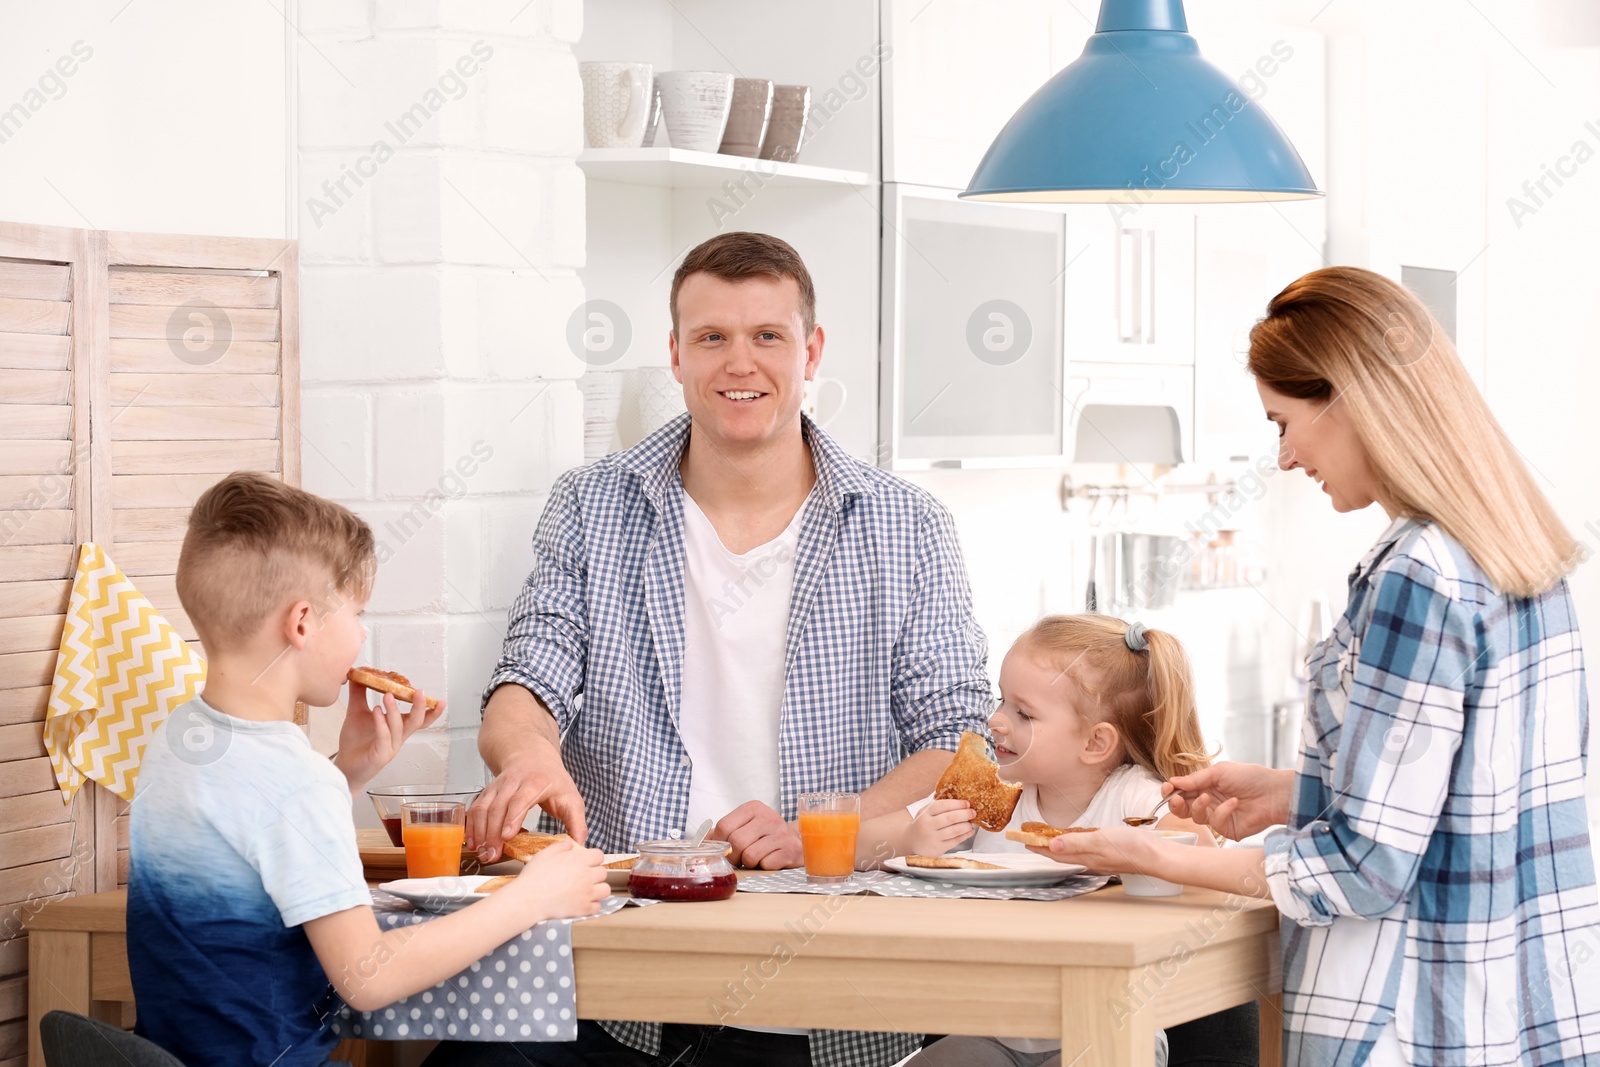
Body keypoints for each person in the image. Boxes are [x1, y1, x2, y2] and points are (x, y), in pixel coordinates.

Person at [432, 232, 992, 1067]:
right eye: (712, 337)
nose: (741, 362)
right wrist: (528, 756)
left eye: (768, 335)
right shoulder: (594, 505)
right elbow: (528, 674)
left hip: (824, 992)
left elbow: (961, 745)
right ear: (675, 353)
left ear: (812, 349)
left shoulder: (906, 524)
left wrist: (825, 832)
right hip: (622, 977)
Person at [1039, 267, 1600, 1067]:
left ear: (1348, 397)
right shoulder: (1520, 555)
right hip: (1523, 1017)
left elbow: (1366, 869)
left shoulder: (1416, 576)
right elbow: (1468, 808)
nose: (1287, 456)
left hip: (1407, 1022)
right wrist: (1293, 794)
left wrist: (1161, 855)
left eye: (1284, 421)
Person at [128, 472, 610, 1067]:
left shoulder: (180, 738)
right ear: (302, 623)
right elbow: (368, 978)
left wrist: (347, 772)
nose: (361, 635)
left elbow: (253, 830)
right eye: (357, 612)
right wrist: (529, 900)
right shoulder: (295, 784)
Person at [857, 614, 1216, 1067]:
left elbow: (1204, 857)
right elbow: (859, 845)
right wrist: (913, 837)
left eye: (1023, 713)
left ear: (1094, 743)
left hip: (1107, 1024)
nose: (995, 720)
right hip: (991, 1026)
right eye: (1001, 700)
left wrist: (1133, 851)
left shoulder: (1132, 797)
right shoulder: (989, 791)